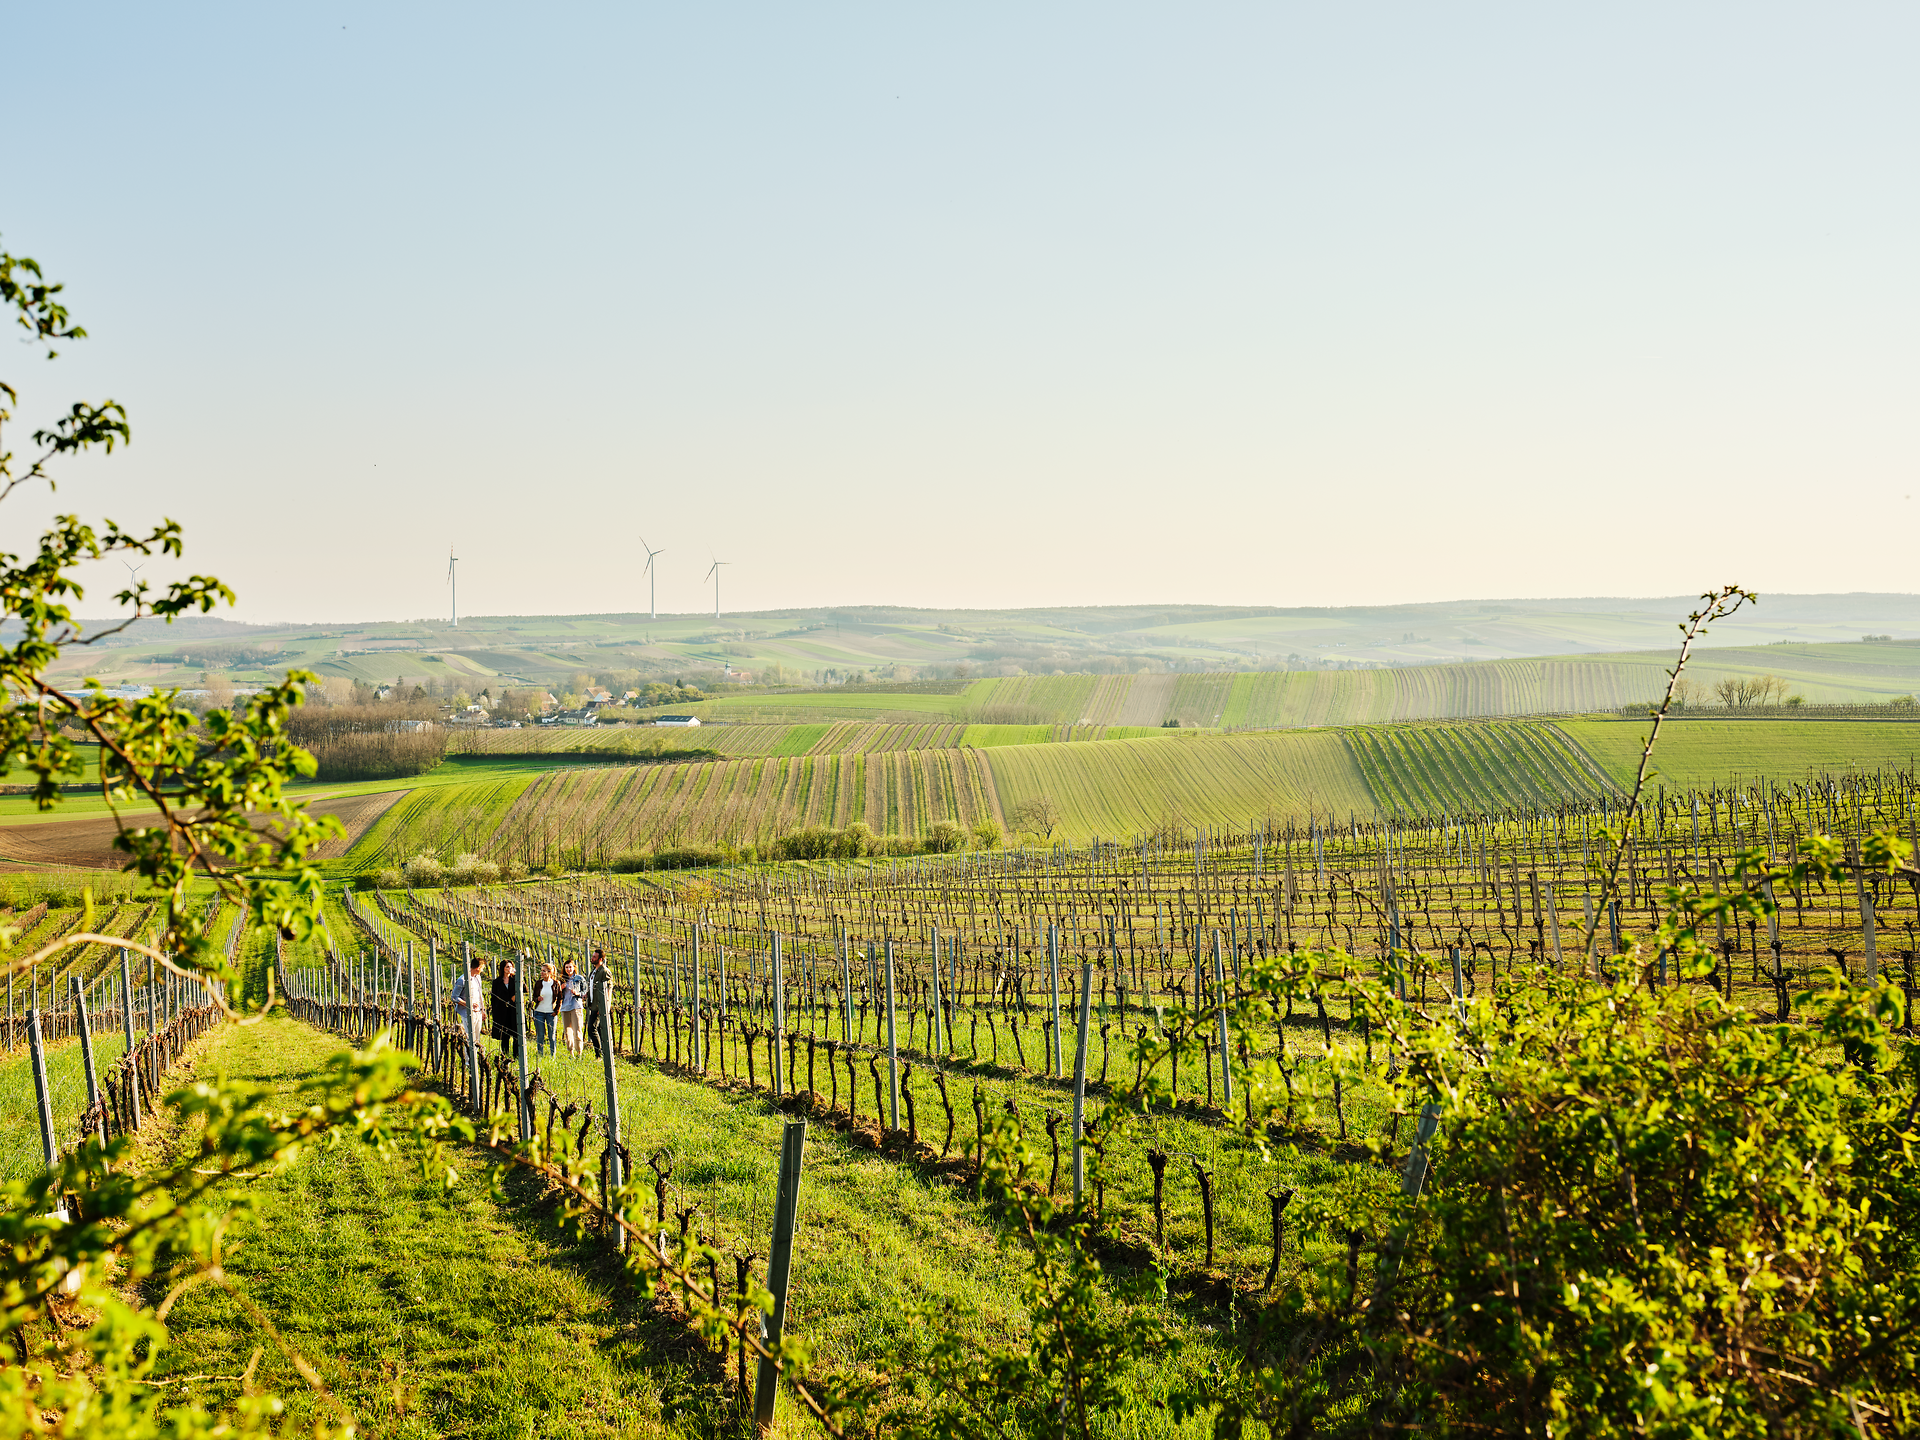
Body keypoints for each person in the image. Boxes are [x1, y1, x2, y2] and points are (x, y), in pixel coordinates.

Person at [529, 961, 560, 1058]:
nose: (541, 973)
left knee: (552, 1036)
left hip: (551, 1013)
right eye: (541, 971)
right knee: (540, 1035)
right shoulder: (538, 983)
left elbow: (560, 998)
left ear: (550, 972)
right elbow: (533, 997)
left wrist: (556, 1011)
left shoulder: (556, 983)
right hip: (539, 1012)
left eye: (544, 971)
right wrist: (537, 999)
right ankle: (540, 1055)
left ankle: (553, 1056)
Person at [489, 957, 519, 1059]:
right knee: (505, 1035)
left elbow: (525, 989)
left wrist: (518, 976)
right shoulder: (496, 982)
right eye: (507, 967)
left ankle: (516, 1055)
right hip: (502, 1011)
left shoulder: (515, 980)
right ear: (503, 968)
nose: (509, 968)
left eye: (511, 967)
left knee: (516, 1034)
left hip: (514, 1011)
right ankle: (505, 1055)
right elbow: (493, 997)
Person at [587, 947, 612, 1059]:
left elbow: (608, 989)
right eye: (592, 956)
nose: (592, 958)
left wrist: (604, 1006)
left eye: (594, 957)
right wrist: (587, 994)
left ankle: (599, 1055)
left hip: (599, 1006)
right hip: (593, 1005)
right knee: (599, 1030)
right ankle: (604, 1053)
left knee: (592, 1029)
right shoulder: (593, 972)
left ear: (600, 959)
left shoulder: (604, 972)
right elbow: (592, 987)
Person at [559, 958, 586, 1056]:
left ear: (574, 967)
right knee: (567, 1031)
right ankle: (571, 1052)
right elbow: (557, 994)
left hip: (576, 1006)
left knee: (577, 1029)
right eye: (566, 967)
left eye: (570, 967)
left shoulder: (579, 978)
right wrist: (560, 989)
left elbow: (585, 992)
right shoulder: (562, 979)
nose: (568, 969)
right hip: (565, 1007)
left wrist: (577, 993)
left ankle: (579, 1052)